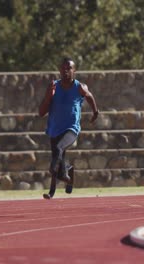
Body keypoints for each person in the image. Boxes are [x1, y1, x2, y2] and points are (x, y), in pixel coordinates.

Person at [38, 57, 99, 200]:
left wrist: (95, 112)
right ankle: (66, 175)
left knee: (57, 153)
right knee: (58, 158)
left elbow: (89, 96)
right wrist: (48, 96)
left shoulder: (79, 87)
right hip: (54, 128)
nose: (65, 71)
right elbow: (41, 112)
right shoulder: (53, 86)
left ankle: (59, 178)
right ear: (59, 70)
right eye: (63, 68)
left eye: (69, 68)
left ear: (74, 71)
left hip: (71, 129)